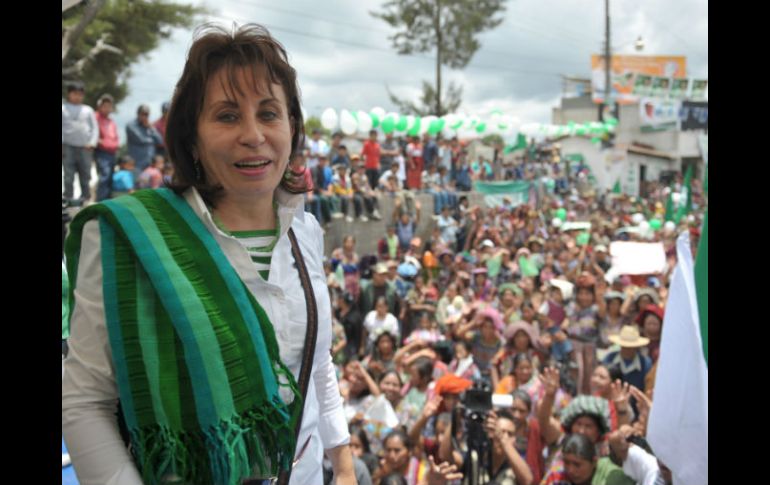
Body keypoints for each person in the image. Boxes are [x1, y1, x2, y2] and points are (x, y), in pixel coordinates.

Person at [62, 23, 355, 485]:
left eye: (269, 113)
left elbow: (316, 367)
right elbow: (83, 402)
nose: (254, 135)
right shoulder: (132, 240)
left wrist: (344, 465)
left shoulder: (306, 232)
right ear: (192, 137)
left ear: (292, 127)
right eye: (227, 116)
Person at [62, 80, 98, 205]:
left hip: (85, 147)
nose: (77, 96)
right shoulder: (63, 108)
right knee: (68, 175)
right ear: (69, 94)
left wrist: (92, 142)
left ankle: (85, 199)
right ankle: (67, 199)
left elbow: (94, 128)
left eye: (80, 94)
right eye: (74, 93)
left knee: (85, 174)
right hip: (68, 146)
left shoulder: (88, 110)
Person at [126, 104, 164, 179]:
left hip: (150, 163)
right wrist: (152, 140)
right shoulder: (130, 126)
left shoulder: (150, 127)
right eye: (142, 114)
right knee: (138, 185)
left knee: (149, 187)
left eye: (146, 114)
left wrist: (151, 128)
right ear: (138, 114)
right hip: (137, 163)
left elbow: (160, 141)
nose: (144, 117)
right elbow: (141, 139)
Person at [94, 93, 120, 201]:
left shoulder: (112, 122)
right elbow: (93, 134)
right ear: (100, 106)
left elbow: (116, 137)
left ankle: (108, 202)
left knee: (110, 177)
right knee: (105, 175)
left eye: (109, 106)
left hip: (112, 153)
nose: (107, 108)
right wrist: (101, 142)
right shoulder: (95, 117)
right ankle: (100, 201)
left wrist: (115, 144)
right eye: (105, 105)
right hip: (101, 152)